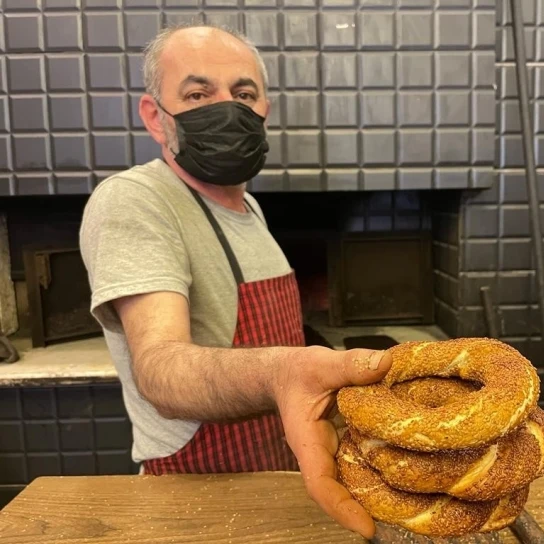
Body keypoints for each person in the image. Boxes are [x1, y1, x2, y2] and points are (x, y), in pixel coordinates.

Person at [79, 24, 390, 539]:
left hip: (282, 470)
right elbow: (157, 370)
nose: (227, 108)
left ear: (263, 109)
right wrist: (285, 371)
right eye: (198, 94)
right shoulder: (135, 200)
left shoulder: (250, 209)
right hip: (196, 495)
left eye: (243, 94)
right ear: (156, 117)